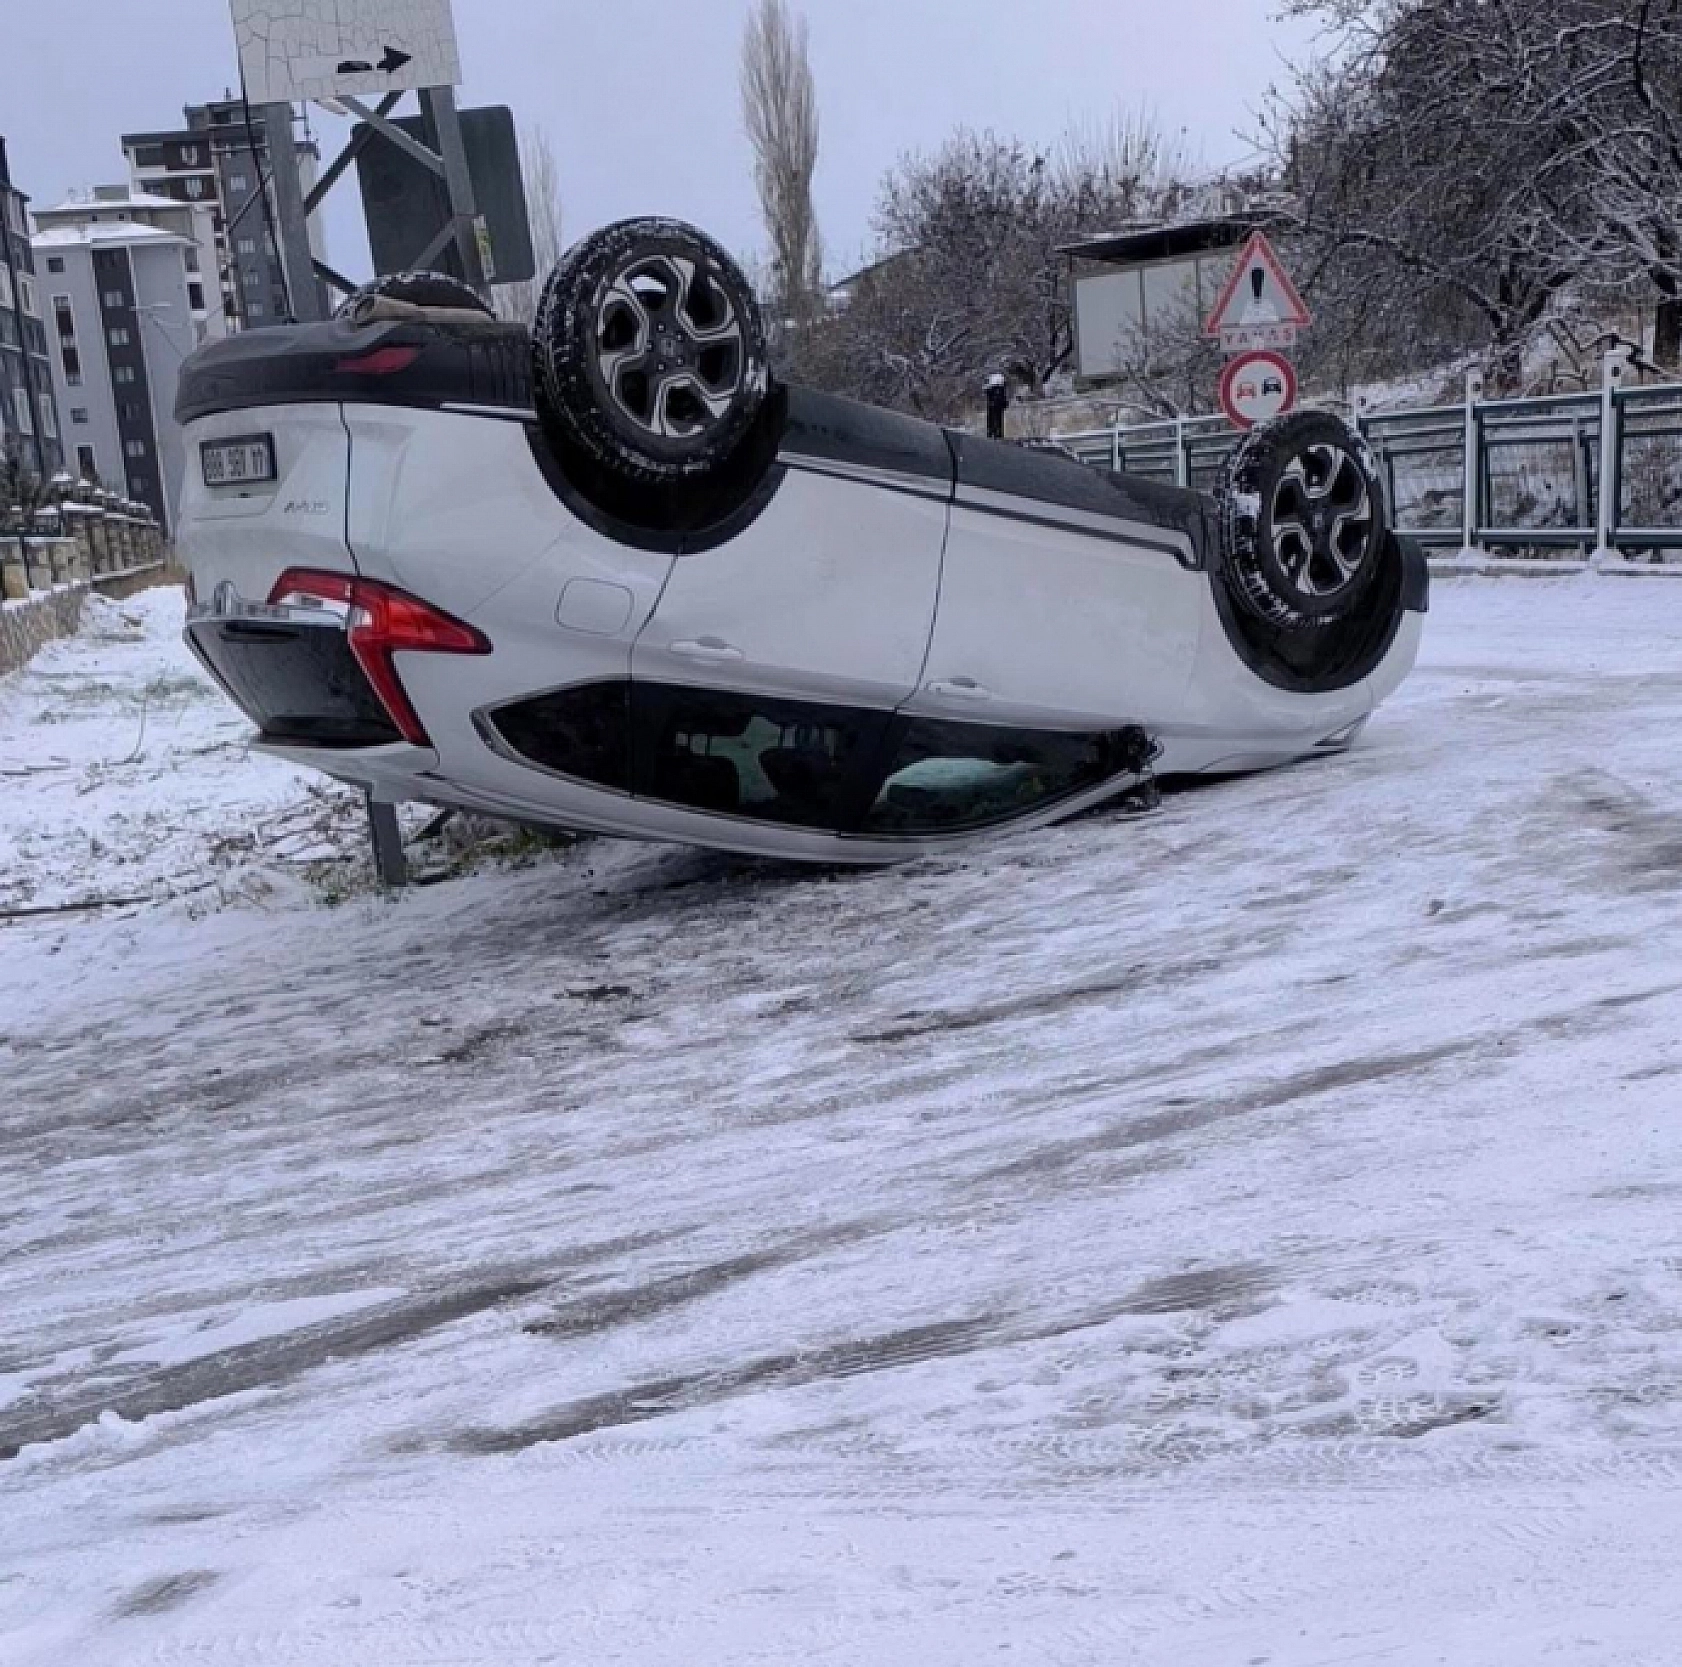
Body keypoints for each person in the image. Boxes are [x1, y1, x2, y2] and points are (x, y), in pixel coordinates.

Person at [985, 372, 1010, 440]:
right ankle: (996, 433)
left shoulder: (992, 387)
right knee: (997, 420)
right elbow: (1003, 396)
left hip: (993, 405)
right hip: (996, 406)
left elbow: (987, 393)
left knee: (994, 419)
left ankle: (992, 433)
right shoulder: (999, 387)